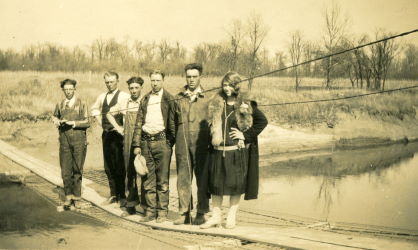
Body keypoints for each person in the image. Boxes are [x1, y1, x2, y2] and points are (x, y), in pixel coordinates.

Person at [200, 72, 268, 229]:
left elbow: (262, 121)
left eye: (230, 85)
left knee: (235, 185)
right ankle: (216, 217)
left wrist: (244, 135)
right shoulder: (216, 103)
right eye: (224, 85)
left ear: (236, 86)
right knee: (215, 185)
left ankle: (231, 217)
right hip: (217, 151)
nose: (226, 88)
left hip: (236, 152)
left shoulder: (245, 104)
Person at [131, 70, 176, 223]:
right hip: (145, 143)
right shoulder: (145, 99)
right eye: (153, 80)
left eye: (158, 80)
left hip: (162, 143)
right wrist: (137, 144)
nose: (155, 83)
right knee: (147, 180)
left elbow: (173, 124)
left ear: (163, 81)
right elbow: (138, 123)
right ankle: (150, 212)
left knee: (162, 181)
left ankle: (162, 213)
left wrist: (169, 143)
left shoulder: (169, 99)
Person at [173, 63, 210, 225]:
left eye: (195, 76)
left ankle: (201, 212)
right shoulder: (178, 97)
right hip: (182, 143)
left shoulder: (208, 97)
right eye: (189, 76)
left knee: (202, 179)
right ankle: (184, 213)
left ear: (200, 77)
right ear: (185, 77)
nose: (192, 80)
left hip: (202, 145)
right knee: (183, 178)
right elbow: (171, 122)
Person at [106, 76, 144, 216]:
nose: (134, 91)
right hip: (127, 139)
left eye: (136, 88)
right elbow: (109, 113)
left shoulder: (145, 101)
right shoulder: (124, 101)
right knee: (130, 172)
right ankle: (131, 204)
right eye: (131, 88)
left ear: (141, 88)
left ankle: (147, 206)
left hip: (143, 139)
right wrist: (119, 127)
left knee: (145, 171)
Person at [91, 71, 130, 207]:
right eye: (107, 82)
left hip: (119, 136)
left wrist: (123, 128)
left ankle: (123, 196)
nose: (109, 84)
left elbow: (128, 113)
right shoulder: (102, 97)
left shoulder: (124, 96)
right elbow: (94, 109)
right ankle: (113, 194)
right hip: (107, 135)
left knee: (120, 165)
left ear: (117, 81)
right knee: (108, 165)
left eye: (112, 81)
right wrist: (101, 123)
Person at [52, 79, 90, 209]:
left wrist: (73, 123)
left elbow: (87, 122)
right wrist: (56, 121)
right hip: (64, 141)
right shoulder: (60, 104)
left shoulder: (82, 103)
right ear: (63, 90)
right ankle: (68, 197)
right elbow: (54, 116)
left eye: (70, 89)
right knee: (65, 171)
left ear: (75, 89)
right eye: (65, 89)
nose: (68, 92)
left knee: (77, 169)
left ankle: (77, 198)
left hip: (79, 141)